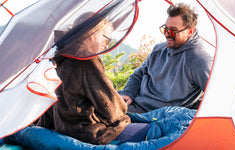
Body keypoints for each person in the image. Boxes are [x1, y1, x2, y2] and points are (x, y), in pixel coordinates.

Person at [32, 12, 150, 145]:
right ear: (92, 34)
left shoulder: (59, 56)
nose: (106, 45)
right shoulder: (86, 60)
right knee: (153, 131)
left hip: (62, 130)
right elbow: (112, 109)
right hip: (89, 133)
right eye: (106, 39)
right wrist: (122, 105)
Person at [118, 3, 213, 113]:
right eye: (165, 29)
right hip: (136, 102)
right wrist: (128, 93)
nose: (167, 34)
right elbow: (137, 75)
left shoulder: (199, 60)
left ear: (190, 32)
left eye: (173, 30)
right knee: (98, 98)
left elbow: (214, 95)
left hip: (157, 115)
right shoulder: (158, 50)